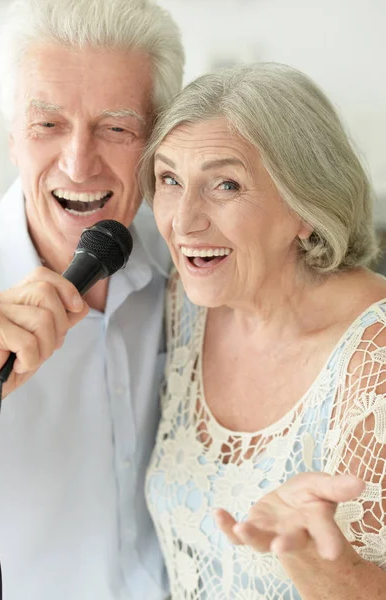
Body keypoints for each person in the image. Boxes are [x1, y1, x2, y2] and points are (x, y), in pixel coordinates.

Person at [141, 63, 386, 599]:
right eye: (169, 180)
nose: (183, 221)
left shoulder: (375, 368)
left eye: (225, 184)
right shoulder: (185, 305)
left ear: (306, 206)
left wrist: (326, 569)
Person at [0, 0, 184, 598]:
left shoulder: (194, 263)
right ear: (12, 132)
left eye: (117, 128)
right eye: (48, 124)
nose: (78, 162)